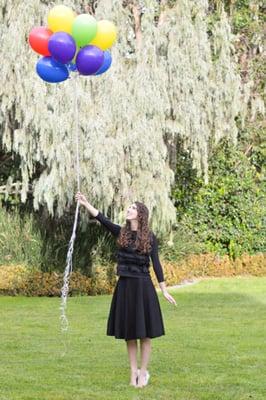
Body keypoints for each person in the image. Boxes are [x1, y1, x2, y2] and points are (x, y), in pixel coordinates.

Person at [75, 192, 177, 388]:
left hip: (143, 287)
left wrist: (164, 290)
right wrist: (86, 203)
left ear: (140, 214)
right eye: (129, 207)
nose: (128, 210)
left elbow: (156, 264)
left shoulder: (150, 237)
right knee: (130, 333)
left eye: (132, 208)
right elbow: (101, 218)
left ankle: (144, 372)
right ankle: (133, 374)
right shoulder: (121, 232)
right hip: (125, 286)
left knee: (145, 334)